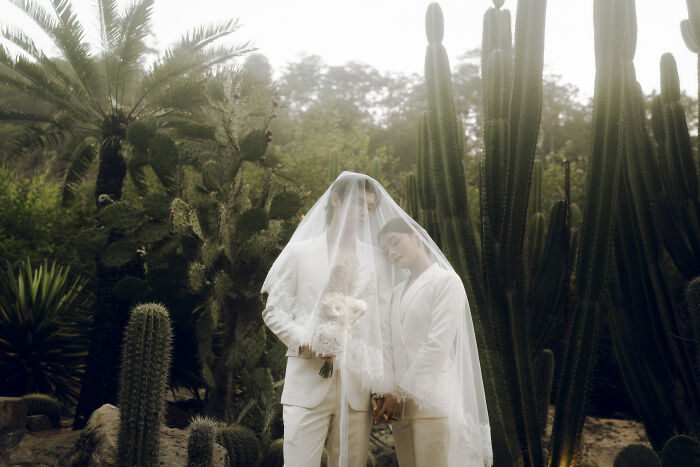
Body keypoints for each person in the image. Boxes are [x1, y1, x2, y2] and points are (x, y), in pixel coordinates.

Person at [261, 172, 392, 467]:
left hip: (357, 388)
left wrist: (384, 384)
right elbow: (273, 310)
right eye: (358, 203)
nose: (364, 212)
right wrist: (308, 342)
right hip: (307, 381)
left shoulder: (376, 260)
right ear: (335, 199)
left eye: (370, 207)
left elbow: (382, 325)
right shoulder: (299, 253)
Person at [373, 217, 493, 467]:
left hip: (434, 402)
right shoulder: (396, 293)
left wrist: (400, 393)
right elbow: (391, 346)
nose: (391, 253)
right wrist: (386, 394)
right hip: (400, 409)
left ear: (417, 237)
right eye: (386, 250)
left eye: (395, 243)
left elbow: (437, 345)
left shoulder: (446, 282)